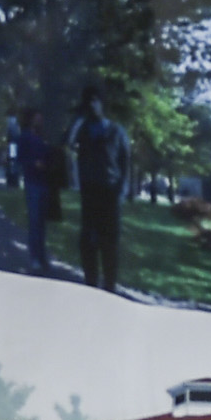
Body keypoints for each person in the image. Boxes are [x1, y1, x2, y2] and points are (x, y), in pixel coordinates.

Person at [70, 84, 128, 294]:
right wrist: (79, 119)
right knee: (88, 239)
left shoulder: (116, 131)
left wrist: (122, 189)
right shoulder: (83, 129)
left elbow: (124, 161)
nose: (92, 105)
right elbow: (67, 143)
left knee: (110, 240)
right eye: (89, 101)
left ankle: (109, 286)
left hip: (110, 192)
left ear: (103, 103)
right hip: (89, 190)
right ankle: (90, 284)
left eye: (96, 100)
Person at [9, 106, 61, 275]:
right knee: (34, 221)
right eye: (37, 118)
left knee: (41, 223)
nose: (39, 121)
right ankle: (34, 257)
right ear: (31, 119)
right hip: (32, 182)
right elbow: (20, 158)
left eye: (41, 118)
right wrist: (33, 163)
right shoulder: (24, 137)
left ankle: (42, 255)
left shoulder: (42, 137)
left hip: (44, 182)